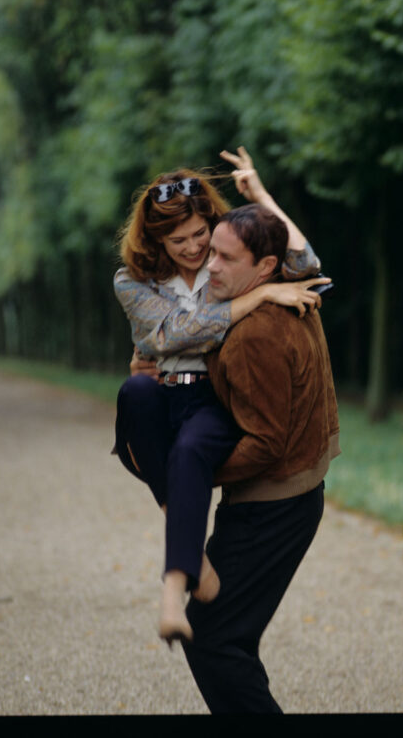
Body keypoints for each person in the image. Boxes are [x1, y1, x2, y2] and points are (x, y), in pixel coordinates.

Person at [113, 147, 329, 646]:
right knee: (136, 391)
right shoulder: (133, 279)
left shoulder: (224, 257)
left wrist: (259, 195)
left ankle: (175, 592)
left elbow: (305, 263)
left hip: (212, 399)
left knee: (190, 450)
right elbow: (170, 336)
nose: (193, 250)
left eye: (199, 235)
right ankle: (195, 553)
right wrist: (258, 296)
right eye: (176, 240)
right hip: (161, 400)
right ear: (155, 239)